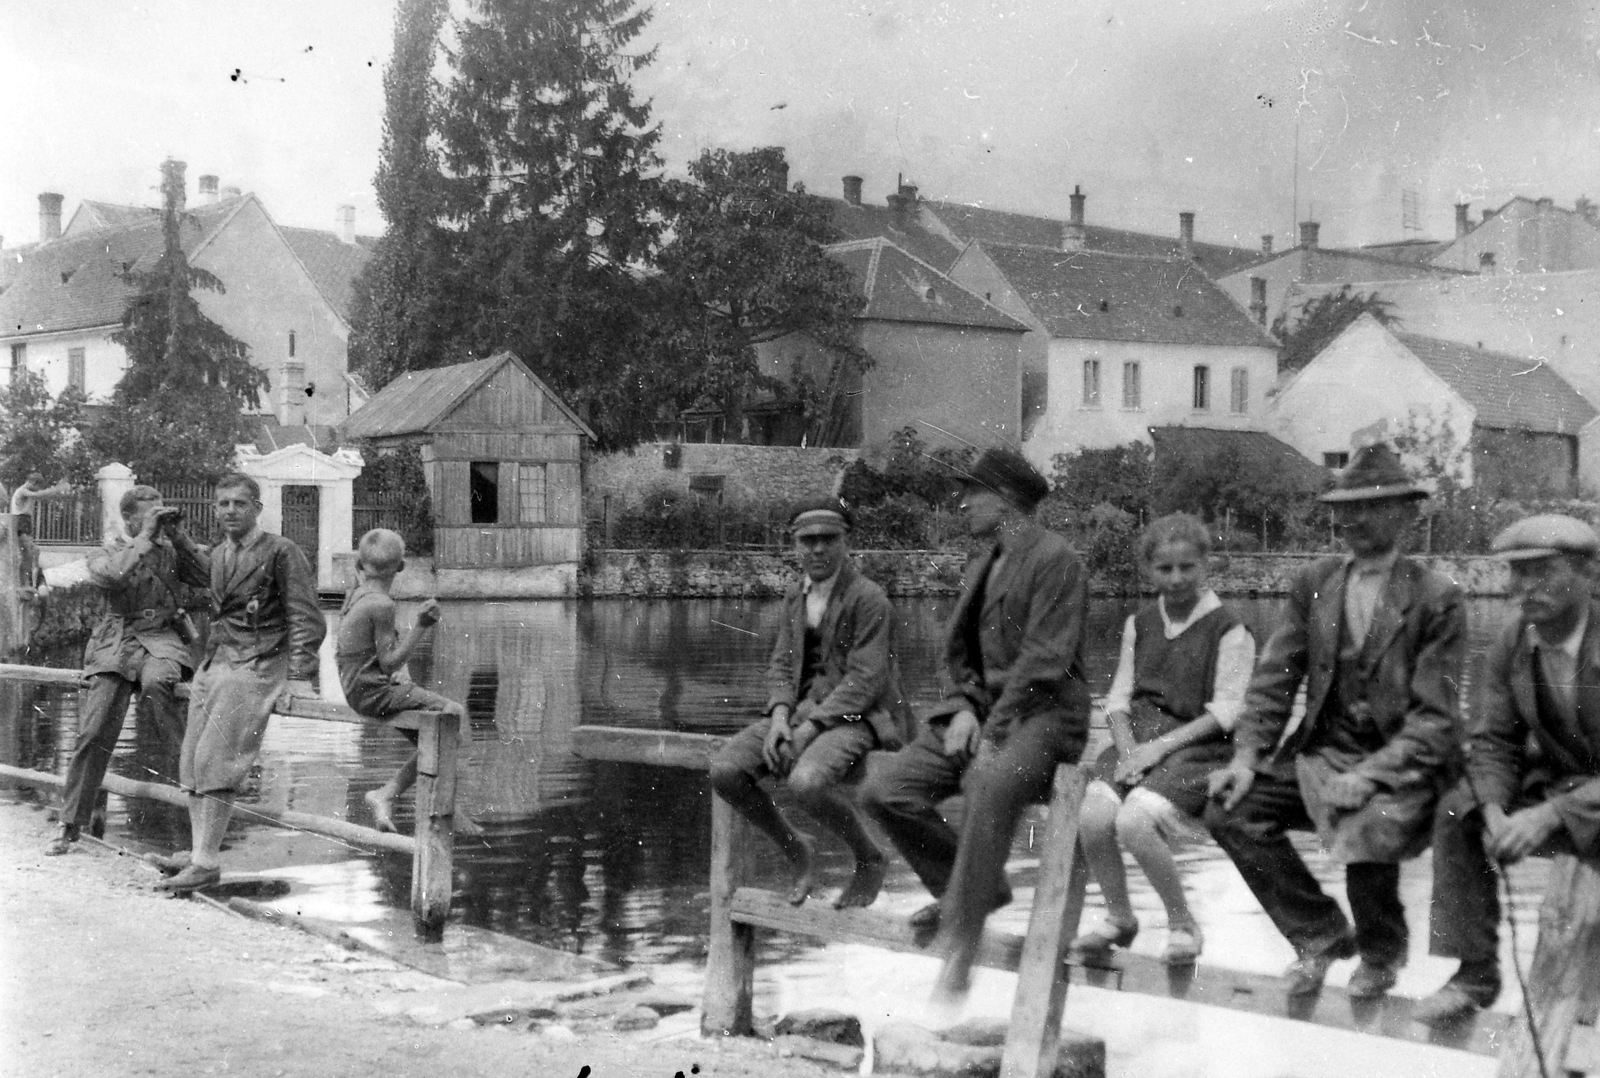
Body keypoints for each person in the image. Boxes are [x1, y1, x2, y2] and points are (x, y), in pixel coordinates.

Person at [1205, 442, 1465, 1000]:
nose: (1354, 519)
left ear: (1404, 512)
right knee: (1233, 809)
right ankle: (1320, 934)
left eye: (1371, 506)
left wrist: (1371, 774)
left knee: (1366, 821)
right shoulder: (1315, 582)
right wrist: (1247, 757)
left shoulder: (1435, 597)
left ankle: (1380, 953)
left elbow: (1435, 719)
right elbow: (1275, 680)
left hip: (1403, 765)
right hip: (1322, 754)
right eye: (1346, 507)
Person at [860, 447, 1091, 1010]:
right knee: (885, 790)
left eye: (974, 491)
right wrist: (964, 708)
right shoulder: (984, 563)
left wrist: (992, 731)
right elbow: (956, 657)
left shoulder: (1057, 560)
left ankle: (960, 944)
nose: (963, 502)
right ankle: (975, 893)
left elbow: (1043, 661)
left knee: (987, 783)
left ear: (1008, 499)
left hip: (1047, 717)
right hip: (987, 713)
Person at [1417, 514, 1600, 1025]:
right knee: (1460, 808)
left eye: (1542, 571)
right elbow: (1494, 740)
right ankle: (1475, 972)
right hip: (1570, 792)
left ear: (1590, 573)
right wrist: (1497, 810)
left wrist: (1550, 816)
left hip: (1583, 803)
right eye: (1516, 573)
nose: (1523, 588)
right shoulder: (1514, 639)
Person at [708, 497, 913, 909]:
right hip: (804, 713)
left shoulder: (868, 598)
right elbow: (782, 664)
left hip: (862, 715)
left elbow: (867, 679)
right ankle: (795, 847)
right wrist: (782, 716)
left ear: (845, 542)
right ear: (795, 546)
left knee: (806, 781)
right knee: (726, 771)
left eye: (828, 539)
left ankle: (870, 856)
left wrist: (809, 728)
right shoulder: (794, 597)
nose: (817, 550)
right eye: (808, 541)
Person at [1072, 513, 1256, 966]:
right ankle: (1120, 918)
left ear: (1205, 566)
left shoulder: (1229, 628)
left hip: (1197, 748)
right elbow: (1118, 698)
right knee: (1093, 816)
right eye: (1164, 569)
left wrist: (1157, 749)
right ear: (1148, 570)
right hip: (1139, 741)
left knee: (1135, 822)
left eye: (1187, 567)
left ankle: (1182, 925)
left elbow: (1226, 710)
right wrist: (1129, 746)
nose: (1175, 579)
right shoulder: (1140, 622)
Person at [149, 474, 325, 892]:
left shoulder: (282, 552)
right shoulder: (221, 554)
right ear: (214, 509)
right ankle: (196, 854)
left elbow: (307, 617)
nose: (230, 511)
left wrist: (299, 678)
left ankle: (207, 863)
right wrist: (174, 534)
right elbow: (196, 567)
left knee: (216, 760)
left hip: (259, 662)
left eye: (239, 504)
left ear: (257, 509)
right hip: (218, 660)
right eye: (223, 503)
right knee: (191, 760)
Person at [45, 486, 207, 856]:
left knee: (158, 684)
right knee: (94, 728)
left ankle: (194, 786)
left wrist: (179, 536)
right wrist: (146, 537)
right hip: (115, 643)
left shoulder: (171, 550)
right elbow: (113, 576)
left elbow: (204, 577)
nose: (156, 523)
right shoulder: (106, 551)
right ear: (130, 519)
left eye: (158, 515)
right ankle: (69, 823)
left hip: (162, 639)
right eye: (148, 516)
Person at [336, 528, 472, 835]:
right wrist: (422, 626)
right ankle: (390, 794)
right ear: (401, 567)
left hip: (357, 691)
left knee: (430, 741)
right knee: (456, 717)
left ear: (359, 565)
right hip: (374, 694)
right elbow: (389, 662)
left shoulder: (356, 596)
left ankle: (443, 807)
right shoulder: (381, 605)